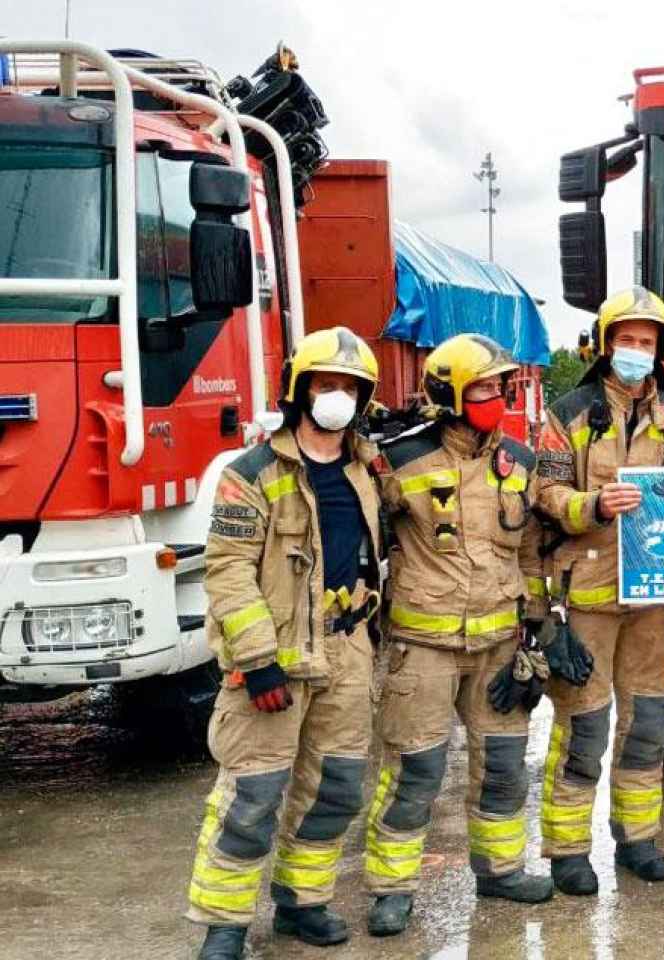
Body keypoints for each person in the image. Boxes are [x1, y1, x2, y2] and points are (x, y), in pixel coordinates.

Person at [186, 328, 384, 960]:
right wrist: (256, 661)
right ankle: (225, 924)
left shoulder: (368, 468)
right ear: (300, 390)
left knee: (335, 787)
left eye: (351, 388)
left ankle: (303, 903)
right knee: (252, 794)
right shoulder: (250, 474)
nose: (338, 398)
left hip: (347, 651)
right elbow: (228, 571)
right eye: (327, 385)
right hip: (275, 658)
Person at [363, 334, 555, 936]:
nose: (495, 398)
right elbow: (354, 530)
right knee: (414, 770)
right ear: (448, 394)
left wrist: (539, 623)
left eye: (501, 388)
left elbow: (527, 548)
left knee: (502, 766)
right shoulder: (399, 461)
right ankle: (391, 888)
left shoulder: (519, 461)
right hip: (422, 646)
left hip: (498, 644)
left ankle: (500, 871)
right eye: (482, 390)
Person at [533, 287, 664, 894]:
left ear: (660, 350)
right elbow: (544, 496)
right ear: (607, 345)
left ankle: (638, 838)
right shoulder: (568, 413)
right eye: (627, 340)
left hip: (655, 599)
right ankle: (567, 850)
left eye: (647, 342)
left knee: (648, 724)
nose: (637, 351)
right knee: (583, 726)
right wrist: (592, 505)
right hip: (587, 597)